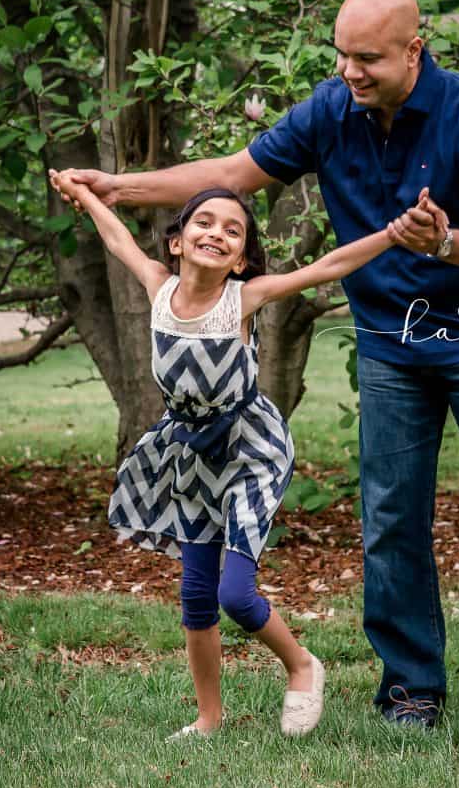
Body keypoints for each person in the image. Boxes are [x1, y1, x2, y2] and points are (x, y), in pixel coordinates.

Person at [54, 0, 459, 732]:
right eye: (342, 55)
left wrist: (442, 239)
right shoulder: (330, 109)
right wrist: (120, 187)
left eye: (367, 59)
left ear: (414, 52)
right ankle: (411, 690)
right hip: (387, 339)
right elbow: (234, 174)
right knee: (389, 518)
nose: (349, 72)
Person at [50, 168, 404, 739]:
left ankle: (301, 666)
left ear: (241, 258)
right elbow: (115, 237)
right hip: (191, 454)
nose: (217, 233)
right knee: (195, 596)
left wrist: (393, 233)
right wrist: (85, 193)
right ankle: (209, 718)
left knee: (234, 594)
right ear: (177, 240)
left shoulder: (243, 298)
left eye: (233, 231)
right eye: (204, 222)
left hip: (248, 452)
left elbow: (327, 266)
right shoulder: (157, 286)